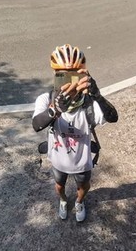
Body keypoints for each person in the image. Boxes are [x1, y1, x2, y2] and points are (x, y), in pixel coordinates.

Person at [32, 44, 118, 222]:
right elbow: (36, 125)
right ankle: (63, 200)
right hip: (58, 160)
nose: (69, 82)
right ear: (55, 76)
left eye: (75, 76)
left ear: (84, 75)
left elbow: (113, 117)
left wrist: (97, 95)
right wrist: (54, 109)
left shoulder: (89, 105)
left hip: (82, 162)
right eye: (62, 76)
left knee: (84, 185)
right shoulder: (45, 100)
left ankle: (79, 201)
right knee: (59, 185)